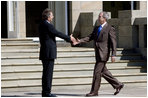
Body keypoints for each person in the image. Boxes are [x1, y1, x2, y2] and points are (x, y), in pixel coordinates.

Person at [72, 12, 124, 97]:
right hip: (98, 53)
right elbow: (90, 37)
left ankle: (94, 92)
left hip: (104, 54)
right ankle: (118, 85)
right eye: (98, 16)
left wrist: (114, 54)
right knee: (104, 72)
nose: (98, 18)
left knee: (97, 73)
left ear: (104, 18)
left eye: (100, 17)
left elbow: (113, 43)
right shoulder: (97, 28)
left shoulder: (110, 28)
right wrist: (79, 41)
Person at [39, 8, 76, 97]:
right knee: (48, 74)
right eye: (51, 15)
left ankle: (45, 91)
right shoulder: (48, 25)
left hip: (45, 52)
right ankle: (47, 92)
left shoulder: (41, 24)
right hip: (48, 52)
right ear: (48, 17)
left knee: (46, 73)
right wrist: (69, 38)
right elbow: (57, 33)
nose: (53, 17)